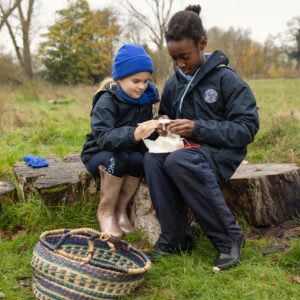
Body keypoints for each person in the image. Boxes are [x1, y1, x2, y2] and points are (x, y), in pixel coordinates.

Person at [143, 4, 259, 270]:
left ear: (202, 43)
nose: (180, 64)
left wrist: (197, 128)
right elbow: (167, 115)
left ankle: (229, 239)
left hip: (221, 153)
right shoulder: (173, 84)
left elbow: (247, 127)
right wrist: (163, 124)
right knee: (153, 160)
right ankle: (175, 239)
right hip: (186, 151)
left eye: (185, 56)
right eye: (175, 59)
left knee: (177, 161)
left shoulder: (226, 80)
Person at [81, 44, 159, 239]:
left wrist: (158, 129)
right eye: (136, 81)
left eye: (146, 81)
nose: (142, 86)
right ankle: (106, 212)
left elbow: (141, 140)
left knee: (139, 160)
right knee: (120, 158)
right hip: (97, 153)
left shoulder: (145, 100)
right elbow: (103, 137)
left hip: (125, 152)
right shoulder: (106, 100)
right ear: (120, 79)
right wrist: (134, 133)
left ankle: (120, 210)